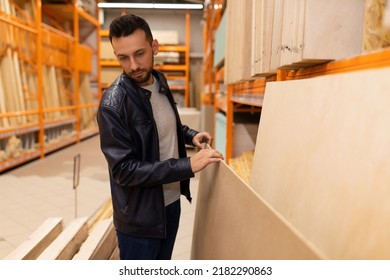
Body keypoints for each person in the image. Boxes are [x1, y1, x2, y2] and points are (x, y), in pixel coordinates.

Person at [96, 14, 224, 260]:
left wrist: (191, 135)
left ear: (154, 47)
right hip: (140, 218)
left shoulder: (159, 81)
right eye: (123, 57)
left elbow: (162, 125)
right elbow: (124, 170)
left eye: (139, 53)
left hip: (170, 203)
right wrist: (186, 165)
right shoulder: (113, 104)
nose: (133, 65)